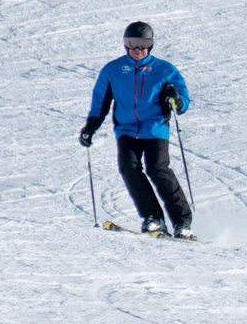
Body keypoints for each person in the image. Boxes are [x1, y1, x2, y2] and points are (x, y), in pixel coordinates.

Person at [80, 20, 195, 238]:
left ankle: (182, 222)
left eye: (143, 44)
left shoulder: (165, 70)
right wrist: (91, 127)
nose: (138, 49)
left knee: (158, 169)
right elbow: (100, 102)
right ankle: (153, 217)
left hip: (155, 128)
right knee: (129, 168)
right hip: (126, 129)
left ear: (150, 45)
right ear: (126, 45)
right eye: (132, 44)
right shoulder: (113, 70)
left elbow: (184, 102)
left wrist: (175, 99)